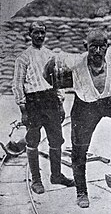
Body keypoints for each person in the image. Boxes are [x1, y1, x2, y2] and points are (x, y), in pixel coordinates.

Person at [44, 30, 111, 208]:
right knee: (79, 150)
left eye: (102, 47)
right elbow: (53, 64)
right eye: (93, 47)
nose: (98, 51)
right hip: (85, 107)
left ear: (106, 47)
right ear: (86, 47)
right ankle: (81, 192)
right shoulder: (76, 61)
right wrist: (53, 80)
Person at [12, 21, 75, 194]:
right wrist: (23, 110)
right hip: (33, 102)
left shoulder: (50, 56)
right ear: (30, 34)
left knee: (56, 139)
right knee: (32, 139)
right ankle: (36, 180)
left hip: (51, 100)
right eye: (36, 33)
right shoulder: (23, 58)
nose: (40, 36)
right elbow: (17, 85)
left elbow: (57, 81)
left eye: (42, 33)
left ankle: (56, 175)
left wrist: (60, 104)